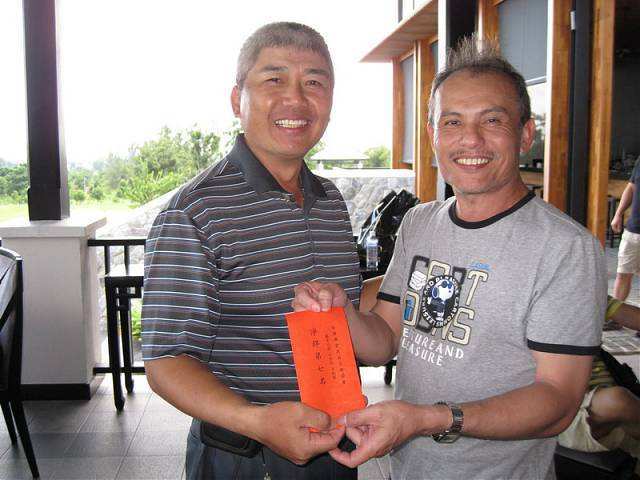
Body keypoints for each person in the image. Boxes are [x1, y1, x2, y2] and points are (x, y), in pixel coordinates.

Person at [293, 37, 607, 479]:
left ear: (525, 134)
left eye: (492, 120)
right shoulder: (420, 223)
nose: (471, 139)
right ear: (433, 135)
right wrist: (344, 312)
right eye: (453, 121)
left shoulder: (566, 247)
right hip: (409, 469)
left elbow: (557, 401)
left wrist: (431, 419)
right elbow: (385, 339)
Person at [141, 22, 362, 479]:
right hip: (245, 458)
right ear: (236, 99)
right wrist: (258, 422)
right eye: (274, 79)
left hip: (337, 450)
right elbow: (166, 361)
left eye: (314, 83)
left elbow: (347, 320)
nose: (295, 100)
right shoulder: (196, 211)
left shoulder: (330, 201)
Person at [559, 298, 640, 471]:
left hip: (608, 404)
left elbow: (632, 316)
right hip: (569, 414)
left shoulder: (587, 294)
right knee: (617, 400)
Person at [611, 159, 640, 301]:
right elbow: (631, 187)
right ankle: (614, 314)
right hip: (633, 230)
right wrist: (618, 214)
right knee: (623, 273)